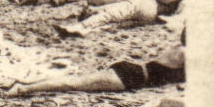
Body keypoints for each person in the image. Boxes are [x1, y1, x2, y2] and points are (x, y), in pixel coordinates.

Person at [9, 32, 184, 97]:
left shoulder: (181, 49)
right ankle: (24, 89)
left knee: (75, 80)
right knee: (75, 83)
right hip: (130, 77)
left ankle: (27, 84)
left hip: (132, 70)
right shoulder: (185, 53)